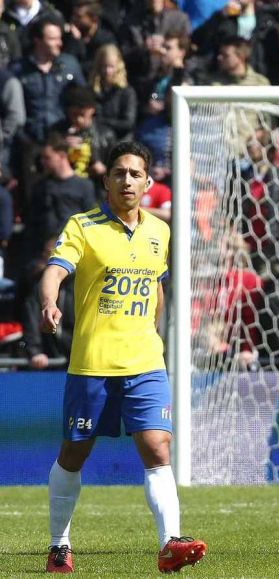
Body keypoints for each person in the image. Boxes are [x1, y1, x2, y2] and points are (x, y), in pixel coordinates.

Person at [39, 141, 206, 573]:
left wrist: (154, 328)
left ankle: (170, 543)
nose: (127, 180)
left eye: (135, 174)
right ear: (106, 179)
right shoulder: (83, 226)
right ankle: (59, 544)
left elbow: (158, 286)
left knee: (157, 446)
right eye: (119, 173)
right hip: (93, 362)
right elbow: (55, 269)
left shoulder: (160, 231)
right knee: (75, 453)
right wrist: (49, 302)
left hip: (146, 361)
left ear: (148, 182)